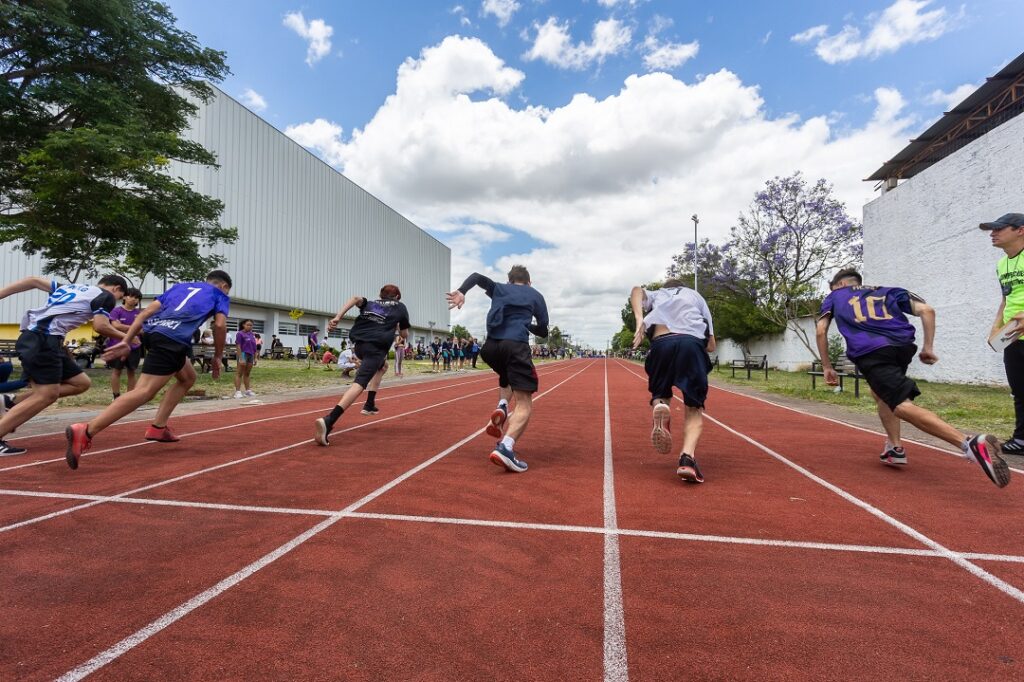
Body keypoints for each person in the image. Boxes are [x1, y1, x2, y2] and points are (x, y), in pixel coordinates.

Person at [817, 268, 1010, 488]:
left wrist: (827, 366)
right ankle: (894, 448)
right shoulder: (890, 291)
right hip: (902, 347)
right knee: (880, 392)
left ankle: (969, 444)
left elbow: (821, 330)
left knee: (899, 404)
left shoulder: (835, 296)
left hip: (871, 351)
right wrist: (928, 347)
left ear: (840, 285)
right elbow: (927, 310)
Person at [64, 270, 232, 470]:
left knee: (187, 377)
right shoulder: (220, 295)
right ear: (223, 286)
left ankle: (158, 428)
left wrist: (126, 341)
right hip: (172, 340)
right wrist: (218, 356)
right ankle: (87, 430)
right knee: (143, 392)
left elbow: (144, 314)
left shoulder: (180, 287)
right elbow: (220, 325)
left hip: (155, 334)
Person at [0, 275, 128, 457]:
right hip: (43, 339)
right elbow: (101, 326)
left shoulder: (71, 288)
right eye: (119, 298)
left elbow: (32, 280)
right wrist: (129, 338)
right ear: (116, 288)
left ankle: (11, 402)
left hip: (43, 338)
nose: (114, 303)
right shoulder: (105, 296)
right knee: (47, 395)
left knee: (81, 383)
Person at [447, 265, 548, 473]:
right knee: (525, 404)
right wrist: (527, 326)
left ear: (509, 280)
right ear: (529, 282)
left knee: (507, 375)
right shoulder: (536, 295)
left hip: (490, 348)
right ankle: (506, 447)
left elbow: (476, 276)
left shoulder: (500, 288)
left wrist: (462, 292)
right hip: (516, 346)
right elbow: (544, 331)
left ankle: (502, 405)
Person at [630, 279, 716, 483]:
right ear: (685, 287)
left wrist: (640, 320)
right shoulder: (696, 297)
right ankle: (687, 459)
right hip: (690, 344)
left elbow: (635, 290)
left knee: (660, 394)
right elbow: (711, 344)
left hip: (662, 344)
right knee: (694, 409)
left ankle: (661, 407)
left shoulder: (657, 294)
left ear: (666, 287)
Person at [314, 284, 410, 445]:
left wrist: (337, 317)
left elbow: (356, 298)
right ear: (397, 297)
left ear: (381, 295)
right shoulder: (400, 307)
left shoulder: (372, 303)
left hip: (359, 345)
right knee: (359, 384)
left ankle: (369, 403)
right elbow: (404, 334)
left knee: (383, 366)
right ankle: (329, 420)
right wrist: (399, 326)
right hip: (376, 347)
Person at [982, 213, 1024, 454]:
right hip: (1014, 337)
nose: (993, 233)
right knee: (1019, 390)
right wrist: (995, 329)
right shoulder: (1002, 264)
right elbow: (1005, 299)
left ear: (1020, 230)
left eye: (999, 229)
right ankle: (1021, 440)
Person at [107, 287, 144, 401]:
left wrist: (124, 327)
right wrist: (133, 329)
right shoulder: (116, 311)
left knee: (132, 371)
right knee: (117, 371)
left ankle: (129, 398)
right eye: (131, 296)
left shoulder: (139, 314)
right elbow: (115, 326)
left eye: (137, 297)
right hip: (118, 345)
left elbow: (142, 330)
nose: (134, 299)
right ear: (124, 297)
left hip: (134, 347)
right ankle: (116, 396)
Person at [233, 318, 257, 398]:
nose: (250, 326)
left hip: (250, 355)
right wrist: (241, 357)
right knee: (239, 373)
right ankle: (237, 391)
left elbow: (254, 347)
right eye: (248, 325)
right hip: (243, 354)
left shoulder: (251, 334)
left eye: (251, 325)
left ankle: (247, 391)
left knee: (247, 373)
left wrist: (255, 357)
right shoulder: (240, 334)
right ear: (243, 325)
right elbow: (238, 346)